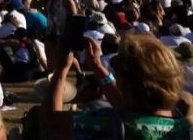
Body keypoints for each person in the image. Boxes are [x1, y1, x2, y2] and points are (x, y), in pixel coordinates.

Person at [45, 33, 192, 138]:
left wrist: (61, 70)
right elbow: (129, 105)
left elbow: (51, 121)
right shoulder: (184, 125)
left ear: (127, 83)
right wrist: (96, 66)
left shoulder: (106, 124)